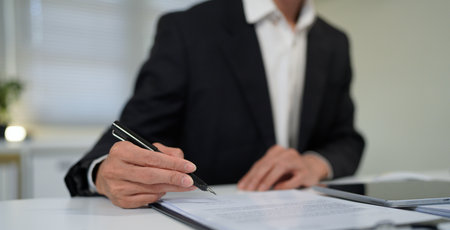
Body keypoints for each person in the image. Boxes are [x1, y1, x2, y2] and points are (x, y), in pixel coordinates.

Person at [65, 0, 365, 208]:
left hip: (308, 222)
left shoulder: (335, 42)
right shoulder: (188, 29)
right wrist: (102, 172)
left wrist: (315, 163)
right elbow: (128, 135)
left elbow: (346, 139)